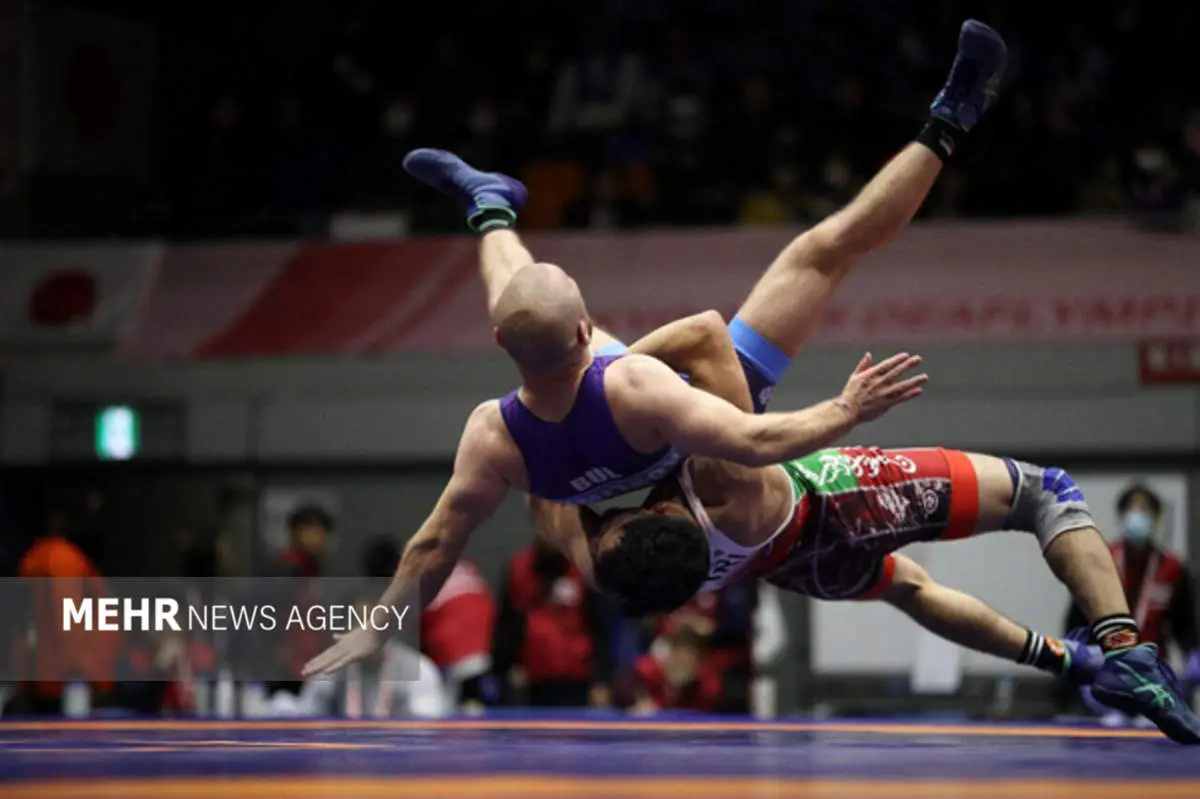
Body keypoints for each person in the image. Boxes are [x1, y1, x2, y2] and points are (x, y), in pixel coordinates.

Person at [303, 19, 1005, 680]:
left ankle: (488, 206)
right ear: (587, 333)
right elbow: (756, 434)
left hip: (669, 428)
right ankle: (949, 122)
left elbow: (437, 542)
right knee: (825, 248)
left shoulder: (497, 440)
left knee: (523, 300)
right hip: (711, 437)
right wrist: (845, 408)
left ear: (499, 348)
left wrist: (379, 625)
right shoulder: (616, 390)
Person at [1065, 484, 1200, 726]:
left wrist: (1193, 653)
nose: (1137, 516)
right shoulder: (1101, 560)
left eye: (1144, 510)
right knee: (1111, 725)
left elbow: (1184, 623)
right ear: (1122, 516)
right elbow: (1077, 616)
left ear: (1156, 518)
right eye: (1131, 509)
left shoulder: (1173, 568)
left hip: (1154, 672)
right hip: (1106, 670)